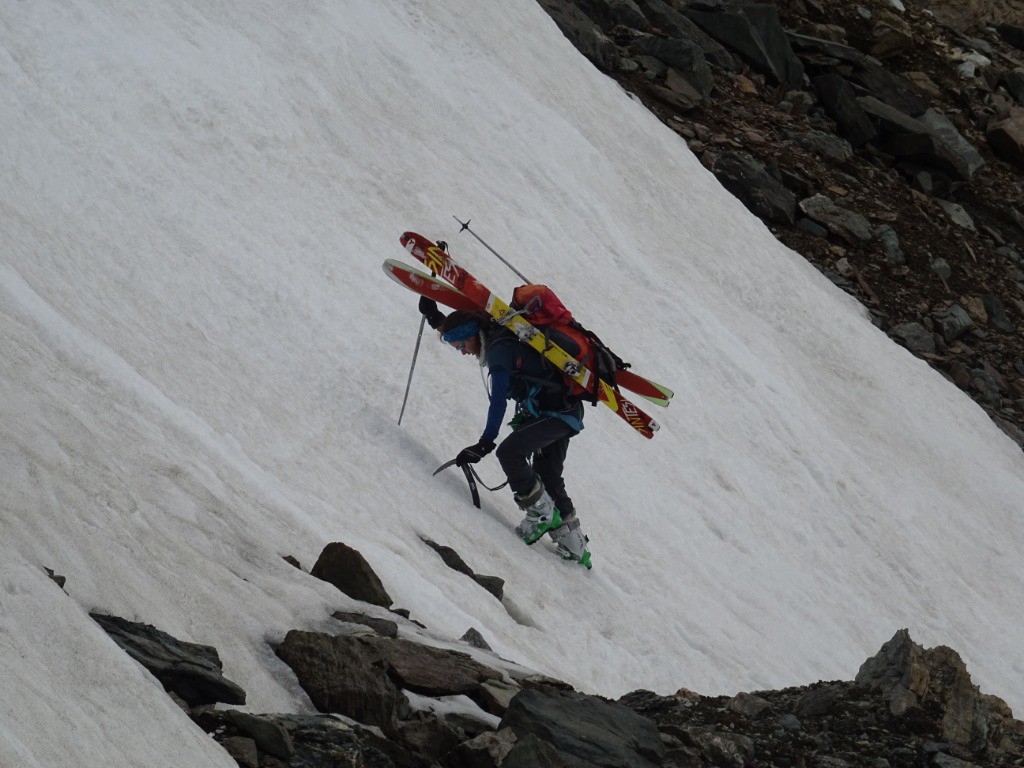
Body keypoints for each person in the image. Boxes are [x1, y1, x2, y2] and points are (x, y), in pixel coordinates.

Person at [418, 296, 592, 568]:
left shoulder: (499, 352)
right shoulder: (493, 337)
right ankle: (575, 547)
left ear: (473, 335)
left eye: (462, 345)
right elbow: (463, 328)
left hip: (555, 415)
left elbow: (498, 401)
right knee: (548, 474)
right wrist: (435, 319)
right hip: (562, 410)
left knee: (510, 452)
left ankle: (541, 513)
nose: (462, 352)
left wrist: (485, 442)